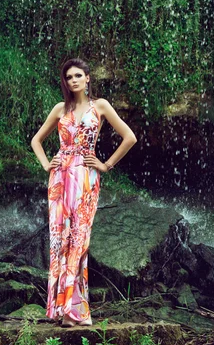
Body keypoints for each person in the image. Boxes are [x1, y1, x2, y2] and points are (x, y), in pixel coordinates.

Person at [31, 58, 137, 327]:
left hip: (86, 177)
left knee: (79, 238)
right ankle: (64, 310)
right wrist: (46, 163)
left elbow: (130, 137)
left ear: (88, 78)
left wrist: (105, 165)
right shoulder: (59, 109)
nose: (73, 80)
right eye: (69, 77)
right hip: (60, 177)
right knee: (60, 240)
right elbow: (36, 140)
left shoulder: (99, 106)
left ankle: (77, 310)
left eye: (78, 75)